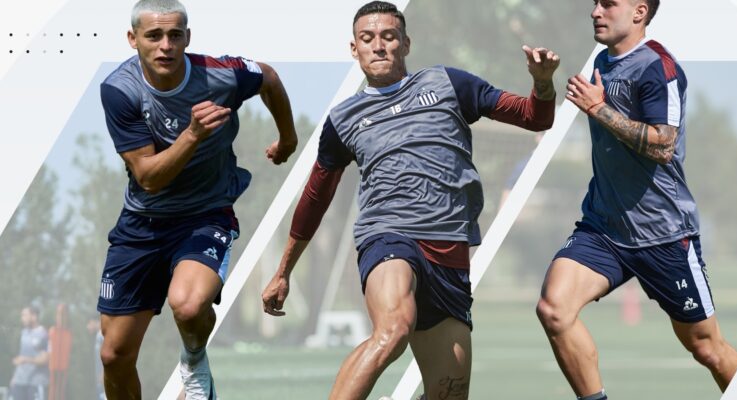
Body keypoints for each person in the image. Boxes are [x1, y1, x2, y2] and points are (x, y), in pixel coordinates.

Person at [261, 1, 559, 398]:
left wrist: (543, 84)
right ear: (354, 48)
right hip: (389, 235)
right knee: (393, 329)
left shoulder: (448, 83)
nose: (378, 46)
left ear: (405, 44)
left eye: (388, 36)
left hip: (450, 248)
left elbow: (534, 118)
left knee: (449, 392)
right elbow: (315, 198)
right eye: (367, 38)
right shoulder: (343, 119)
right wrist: (283, 271)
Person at [536, 1, 737, 399]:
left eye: (608, 4)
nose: (595, 12)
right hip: (604, 228)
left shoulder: (657, 67)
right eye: (595, 3)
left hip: (663, 234)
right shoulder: (602, 61)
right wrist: (543, 81)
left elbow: (664, 145)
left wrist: (598, 108)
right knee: (554, 310)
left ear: (639, 12)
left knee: (707, 348)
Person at [96, 1, 298, 398]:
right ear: (133, 39)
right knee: (114, 355)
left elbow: (269, 78)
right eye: (154, 36)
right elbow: (148, 178)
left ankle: (193, 361)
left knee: (188, 306)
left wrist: (288, 139)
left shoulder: (221, 75)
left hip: (205, 215)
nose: (165, 46)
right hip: (142, 224)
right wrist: (192, 135)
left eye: (175, 35)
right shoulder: (120, 90)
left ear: (188, 37)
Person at [9, 306, 49, 400]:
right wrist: (14, 377)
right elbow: (22, 355)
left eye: (25, 315)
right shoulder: (24, 333)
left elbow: (45, 359)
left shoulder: (43, 334)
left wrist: (25, 360)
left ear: (34, 316)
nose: (22, 318)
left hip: (35, 382)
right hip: (20, 381)